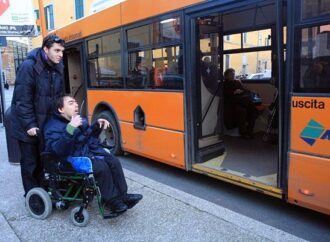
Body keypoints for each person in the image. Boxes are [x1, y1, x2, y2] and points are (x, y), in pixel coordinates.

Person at [43, 95, 143, 215]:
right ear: (61, 109)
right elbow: (58, 150)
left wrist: (97, 126)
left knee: (113, 161)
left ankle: (123, 195)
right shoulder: (52, 126)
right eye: (70, 103)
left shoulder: (79, 120)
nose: (76, 105)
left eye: (75, 102)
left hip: (85, 152)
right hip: (67, 160)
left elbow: (88, 138)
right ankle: (111, 201)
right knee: (101, 167)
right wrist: (69, 129)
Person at [11, 34, 66, 196]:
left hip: (45, 123)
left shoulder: (58, 67)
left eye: (62, 51)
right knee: (30, 163)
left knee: (45, 160)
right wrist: (29, 124)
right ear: (45, 49)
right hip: (27, 125)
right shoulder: (29, 66)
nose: (60, 54)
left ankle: (44, 192)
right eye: (57, 50)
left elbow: (58, 97)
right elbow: (22, 100)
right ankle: (32, 196)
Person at [223, 68, 258, 138]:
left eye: (233, 74)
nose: (233, 76)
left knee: (253, 109)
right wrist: (233, 92)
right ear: (226, 76)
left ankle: (250, 130)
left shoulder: (237, 82)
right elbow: (225, 95)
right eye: (231, 74)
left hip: (242, 101)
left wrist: (241, 91)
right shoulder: (224, 84)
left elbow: (245, 90)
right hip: (232, 103)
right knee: (242, 111)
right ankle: (243, 132)